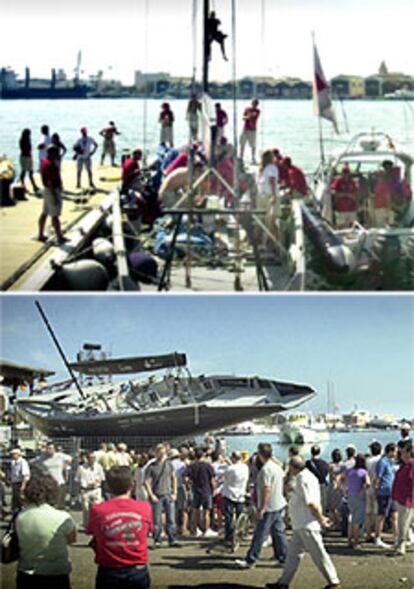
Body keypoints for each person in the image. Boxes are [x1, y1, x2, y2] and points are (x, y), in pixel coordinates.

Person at [265, 456, 341, 589]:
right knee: (292, 555)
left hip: (306, 524)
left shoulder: (302, 478)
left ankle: (334, 582)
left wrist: (321, 518)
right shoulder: (308, 476)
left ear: (293, 467)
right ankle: (283, 582)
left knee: (319, 554)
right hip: (300, 524)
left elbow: (311, 503)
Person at [87, 466, 153, 589]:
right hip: (137, 568)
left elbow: (92, 531)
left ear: (107, 486)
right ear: (131, 485)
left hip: (109, 569)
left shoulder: (97, 510)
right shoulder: (145, 507)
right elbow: (148, 531)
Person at [15, 475, 77, 589]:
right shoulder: (62, 517)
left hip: (26, 572)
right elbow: (72, 540)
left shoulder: (20, 516)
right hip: (56, 572)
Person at [236, 443, 287, 569]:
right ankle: (283, 557)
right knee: (278, 532)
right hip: (279, 503)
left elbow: (266, 490)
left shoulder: (265, 470)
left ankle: (251, 559)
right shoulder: (276, 467)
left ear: (259, 455)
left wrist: (261, 508)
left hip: (269, 506)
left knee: (260, 533)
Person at [144, 443, 179, 548]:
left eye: (163, 453)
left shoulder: (169, 464)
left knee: (171, 519)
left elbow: (174, 478)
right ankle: (157, 540)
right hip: (157, 495)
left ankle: (172, 539)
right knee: (156, 520)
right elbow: (146, 481)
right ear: (156, 453)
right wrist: (151, 494)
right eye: (159, 452)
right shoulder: (151, 466)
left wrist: (175, 492)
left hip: (168, 494)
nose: (161, 454)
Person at [185, 447, 217, 538]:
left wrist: (189, 486)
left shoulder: (192, 466)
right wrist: (214, 490)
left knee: (195, 510)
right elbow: (212, 480)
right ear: (203, 456)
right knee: (206, 512)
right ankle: (206, 530)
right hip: (206, 490)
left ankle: (195, 530)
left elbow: (187, 478)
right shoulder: (208, 466)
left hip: (196, 490)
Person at [38, 145, 67, 245]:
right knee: (55, 215)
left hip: (48, 190)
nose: (58, 154)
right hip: (52, 190)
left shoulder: (45, 162)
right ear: (52, 153)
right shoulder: (49, 165)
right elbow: (49, 181)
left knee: (45, 212)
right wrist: (54, 195)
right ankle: (59, 237)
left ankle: (41, 234)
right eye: (56, 152)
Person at [33, 441, 72, 509]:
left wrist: (65, 465)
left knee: (59, 504)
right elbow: (33, 462)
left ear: (54, 449)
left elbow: (70, 459)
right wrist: (40, 470)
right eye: (48, 448)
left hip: (59, 482)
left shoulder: (60, 455)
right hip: (47, 484)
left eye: (51, 448)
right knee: (49, 504)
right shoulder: (42, 457)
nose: (49, 450)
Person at [392, 440, 414, 555]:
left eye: (405, 452)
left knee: (403, 524)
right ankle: (401, 544)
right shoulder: (404, 465)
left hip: (408, 499)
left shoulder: (411, 465)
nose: (402, 454)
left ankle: (401, 545)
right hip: (401, 498)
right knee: (404, 523)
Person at [375, 442, 398, 548]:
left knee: (394, 515)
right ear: (391, 451)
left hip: (392, 492)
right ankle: (378, 538)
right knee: (381, 516)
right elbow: (378, 478)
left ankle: (397, 537)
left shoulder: (390, 462)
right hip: (383, 492)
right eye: (395, 451)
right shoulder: (382, 462)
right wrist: (376, 491)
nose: (397, 453)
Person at [222, 451, 249, 542]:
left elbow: (224, 478)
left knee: (228, 516)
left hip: (229, 493)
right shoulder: (245, 467)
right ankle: (241, 533)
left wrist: (227, 463)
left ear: (233, 458)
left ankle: (229, 535)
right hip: (241, 494)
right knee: (240, 516)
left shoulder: (230, 469)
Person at [256, 149, 280, 250]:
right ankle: (273, 243)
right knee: (271, 220)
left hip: (263, 195)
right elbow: (272, 181)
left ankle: (267, 242)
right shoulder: (271, 168)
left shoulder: (262, 169)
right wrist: (274, 195)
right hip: (269, 195)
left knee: (266, 220)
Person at [345, 454, 370, 549]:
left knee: (351, 518)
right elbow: (368, 483)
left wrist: (344, 489)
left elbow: (340, 478)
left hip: (350, 496)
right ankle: (356, 542)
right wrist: (363, 491)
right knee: (357, 521)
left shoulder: (350, 471)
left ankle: (349, 540)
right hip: (359, 498)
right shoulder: (363, 472)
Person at [74, 450, 105, 528]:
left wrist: (98, 481)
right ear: (87, 458)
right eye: (90, 458)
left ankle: (97, 524)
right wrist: (80, 488)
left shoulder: (98, 467)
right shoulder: (81, 468)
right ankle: (87, 526)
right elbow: (77, 479)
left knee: (97, 508)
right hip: (85, 490)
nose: (92, 459)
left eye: (94, 458)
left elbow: (102, 478)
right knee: (86, 509)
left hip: (96, 489)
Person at [365, 441, 382, 542]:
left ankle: (368, 533)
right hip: (378, 488)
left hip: (368, 488)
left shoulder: (367, 460)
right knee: (377, 513)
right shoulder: (381, 460)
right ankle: (376, 534)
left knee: (368, 513)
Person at [306, 445, 330, 515]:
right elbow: (326, 474)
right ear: (319, 452)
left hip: (312, 485)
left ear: (311, 452)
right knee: (322, 503)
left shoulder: (308, 463)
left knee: (313, 502)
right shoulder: (325, 463)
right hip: (322, 484)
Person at [372, 160, 395, 227]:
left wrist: (388, 209)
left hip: (383, 208)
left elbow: (388, 198)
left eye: (381, 176)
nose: (379, 177)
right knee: (379, 225)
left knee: (384, 224)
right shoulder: (376, 185)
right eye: (379, 176)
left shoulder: (385, 185)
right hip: (378, 208)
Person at [327, 449, 344, 530]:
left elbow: (330, 475)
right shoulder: (343, 465)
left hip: (332, 486)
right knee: (339, 506)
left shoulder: (330, 465)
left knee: (333, 507)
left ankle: (335, 523)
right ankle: (339, 522)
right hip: (341, 487)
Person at [18, 129, 39, 193]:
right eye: (29, 134)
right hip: (24, 157)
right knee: (24, 171)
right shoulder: (22, 140)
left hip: (29, 156)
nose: (30, 135)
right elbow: (24, 149)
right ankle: (23, 185)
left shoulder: (28, 139)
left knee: (31, 172)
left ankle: (34, 186)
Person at [240, 99, 260, 164]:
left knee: (253, 144)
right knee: (242, 143)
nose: (253, 104)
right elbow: (244, 117)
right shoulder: (247, 109)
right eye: (253, 103)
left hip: (252, 130)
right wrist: (248, 116)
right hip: (245, 128)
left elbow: (252, 117)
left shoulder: (257, 111)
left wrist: (248, 116)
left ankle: (253, 158)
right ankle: (241, 157)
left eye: (255, 103)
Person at [10, 448, 30, 512]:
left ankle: (24, 511)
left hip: (21, 482)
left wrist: (23, 485)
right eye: (12, 454)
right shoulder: (13, 462)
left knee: (21, 499)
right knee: (15, 499)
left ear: (18, 455)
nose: (12, 456)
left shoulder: (23, 462)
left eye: (14, 454)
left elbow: (25, 474)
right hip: (14, 483)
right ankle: (15, 511)